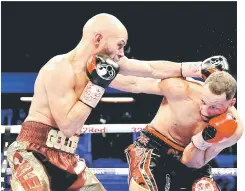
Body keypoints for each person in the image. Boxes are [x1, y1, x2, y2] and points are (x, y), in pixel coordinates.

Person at [6, 13, 227, 191]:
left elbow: (149, 71)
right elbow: (68, 125)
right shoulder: (59, 68)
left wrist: (197, 68)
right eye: (120, 45)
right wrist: (96, 86)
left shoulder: (104, 67)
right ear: (98, 39)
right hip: (34, 152)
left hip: (66, 156)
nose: (122, 53)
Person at [109, 71, 243, 191]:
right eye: (203, 101)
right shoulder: (181, 89)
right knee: (143, 185)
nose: (205, 110)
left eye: (215, 107)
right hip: (153, 145)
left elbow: (192, 163)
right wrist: (98, 78)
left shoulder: (233, 131)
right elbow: (135, 83)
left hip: (190, 158)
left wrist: (202, 139)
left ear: (231, 103)